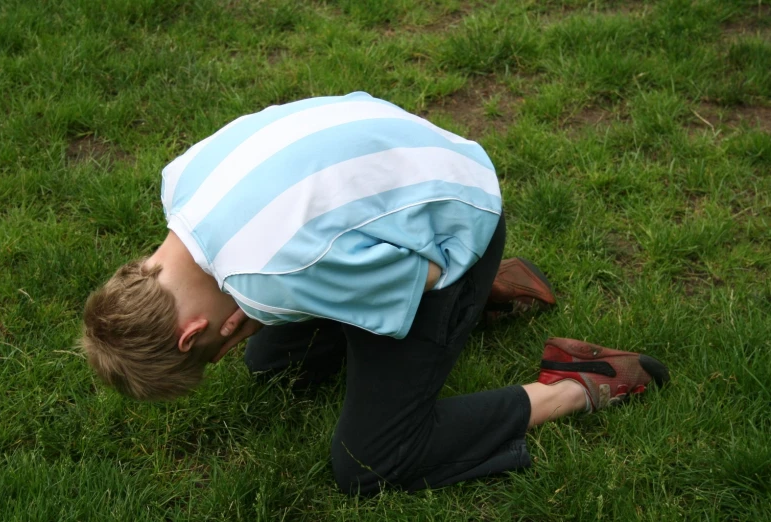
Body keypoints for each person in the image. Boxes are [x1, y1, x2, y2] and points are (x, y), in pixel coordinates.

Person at [81, 92, 669, 495]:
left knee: (369, 463)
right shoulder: (178, 180)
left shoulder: (273, 279)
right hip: (407, 152)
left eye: (211, 354)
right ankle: (481, 293)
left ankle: (577, 383)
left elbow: (423, 280)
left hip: (454, 230)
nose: (225, 350)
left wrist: (269, 305)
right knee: (274, 366)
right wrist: (266, 309)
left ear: (190, 334)